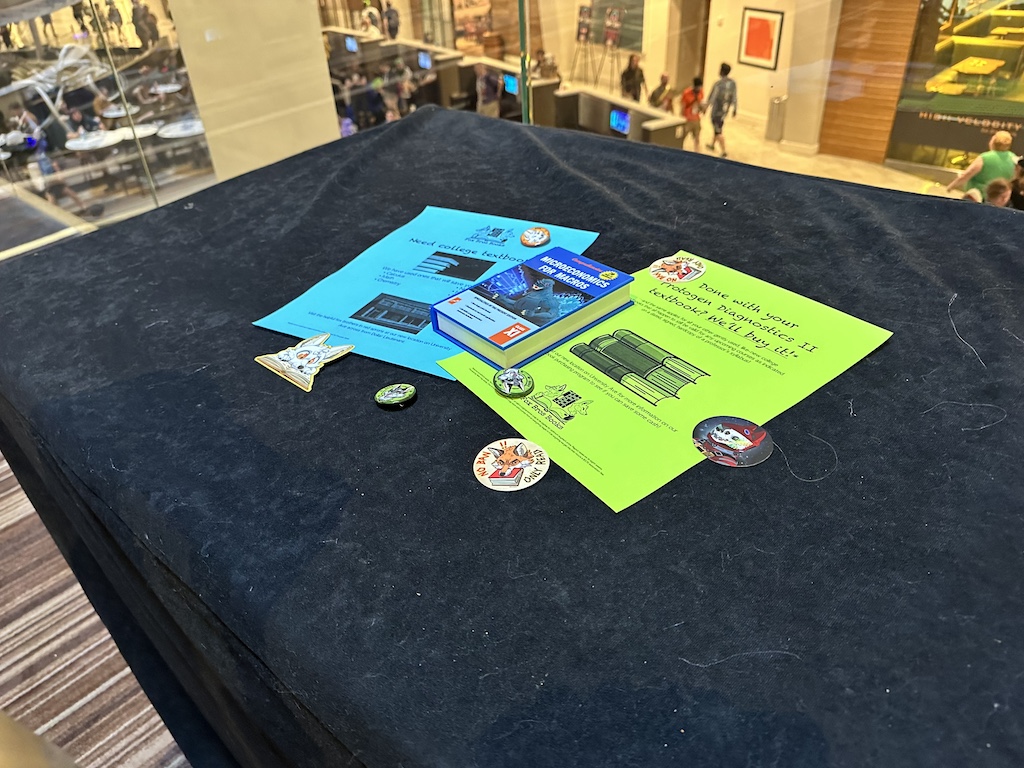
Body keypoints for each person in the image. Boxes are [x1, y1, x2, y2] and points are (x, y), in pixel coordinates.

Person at [945, 131, 1017, 200]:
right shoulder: (1014, 158)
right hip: (999, 199)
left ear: (993, 142)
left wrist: (951, 186)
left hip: (979, 197)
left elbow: (968, 174)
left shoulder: (985, 157)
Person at [705, 62, 737, 158]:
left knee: (717, 130)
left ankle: (723, 151)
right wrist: (735, 108)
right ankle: (712, 145)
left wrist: (706, 107)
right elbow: (734, 97)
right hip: (724, 111)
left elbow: (712, 98)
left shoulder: (718, 84)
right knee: (718, 126)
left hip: (717, 111)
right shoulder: (732, 83)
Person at [680, 76, 704, 152]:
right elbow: (683, 106)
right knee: (683, 137)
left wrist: (703, 109)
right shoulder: (686, 93)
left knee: (697, 138)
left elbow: (700, 103)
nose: (699, 89)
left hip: (696, 119)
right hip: (687, 119)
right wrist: (681, 118)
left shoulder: (701, 92)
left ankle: (697, 152)